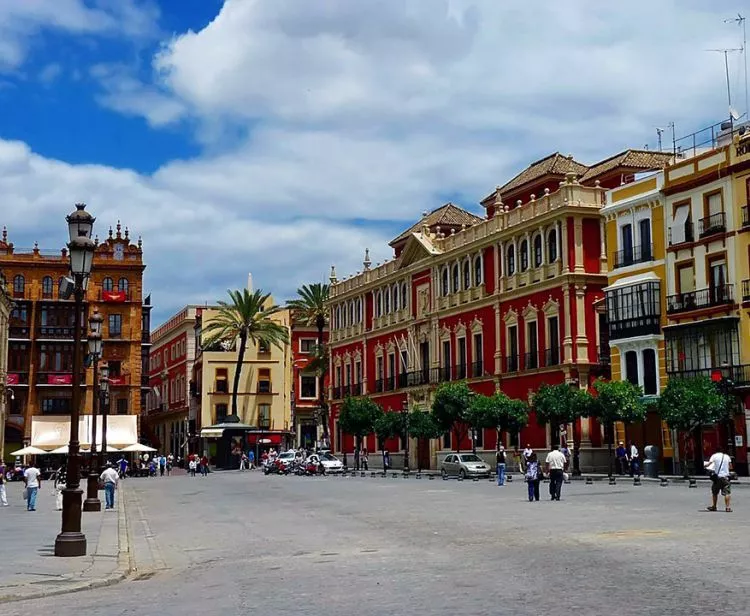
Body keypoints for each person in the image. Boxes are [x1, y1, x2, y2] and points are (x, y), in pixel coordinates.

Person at [705, 445, 732, 512]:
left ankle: (714, 506)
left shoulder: (714, 456)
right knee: (727, 493)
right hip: (726, 477)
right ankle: (727, 507)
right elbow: (731, 467)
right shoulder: (727, 456)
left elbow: (709, 465)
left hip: (717, 478)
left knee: (714, 492)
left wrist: (705, 465)